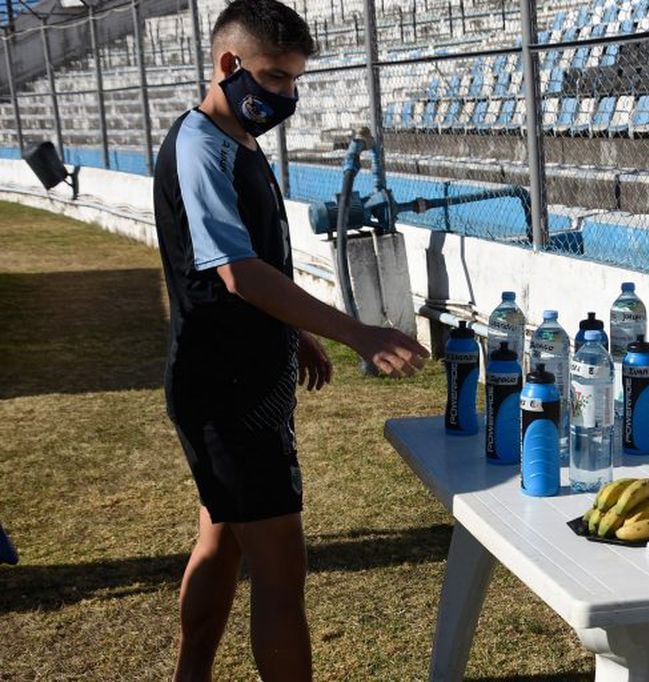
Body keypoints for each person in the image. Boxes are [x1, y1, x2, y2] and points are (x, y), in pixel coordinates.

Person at [152, 2, 428, 680]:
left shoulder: (236, 141)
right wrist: (356, 332)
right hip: (226, 391)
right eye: (273, 78)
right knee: (281, 575)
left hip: (245, 379)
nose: (285, 96)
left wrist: (295, 332)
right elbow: (235, 271)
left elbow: (254, 266)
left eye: (293, 81)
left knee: (222, 543)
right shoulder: (198, 147)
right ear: (228, 65)